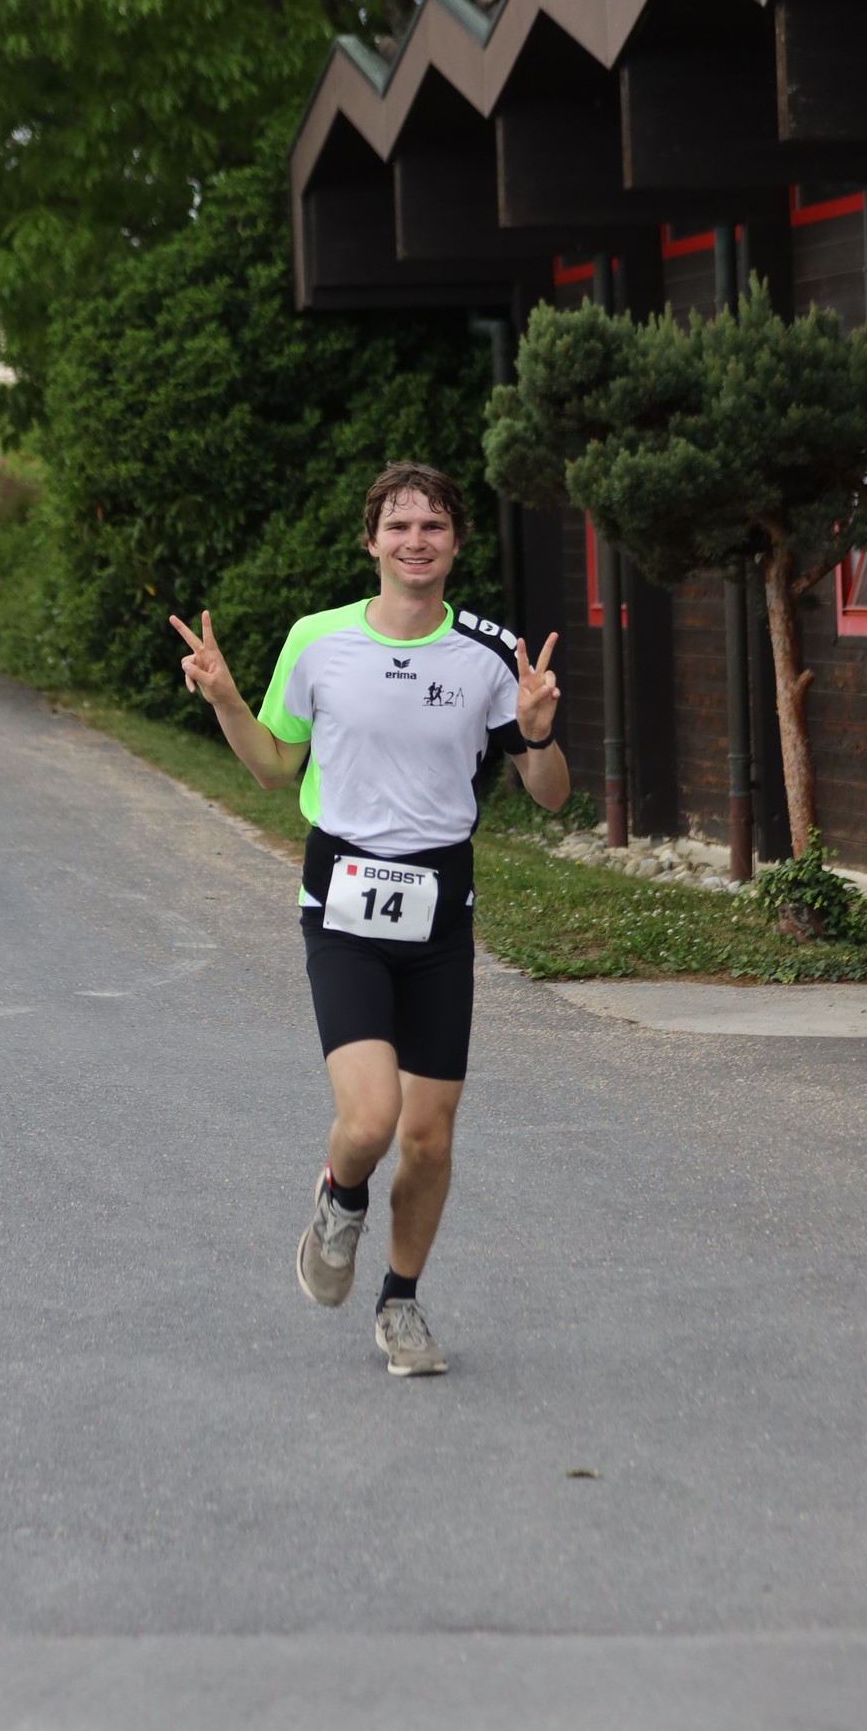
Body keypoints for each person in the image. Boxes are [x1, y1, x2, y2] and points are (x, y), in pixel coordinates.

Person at [171, 461, 569, 1375]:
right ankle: (339, 1199)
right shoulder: (317, 641)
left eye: (433, 526)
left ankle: (401, 1302)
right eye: (399, 526)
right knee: (369, 1122)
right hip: (343, 906)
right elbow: (275, 768)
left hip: (440, 918)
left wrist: (537, 732)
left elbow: (550, 795)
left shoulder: (490, 656)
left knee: (428, 1137)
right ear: (371, 542)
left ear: (455, 543)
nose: (415, 541)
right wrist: (226, 697)